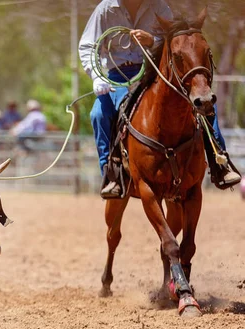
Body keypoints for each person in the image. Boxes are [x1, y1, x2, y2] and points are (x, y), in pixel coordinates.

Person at [79, 0, 240, 197]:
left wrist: (152, 41)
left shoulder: (159, 7)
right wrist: (96, 76)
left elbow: (176, 43)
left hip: (153, 71)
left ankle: (219, 161)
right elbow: (87, 46)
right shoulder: (105, 9)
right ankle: (110, 173)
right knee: (98, 114)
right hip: (117, 74)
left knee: (203, 105)